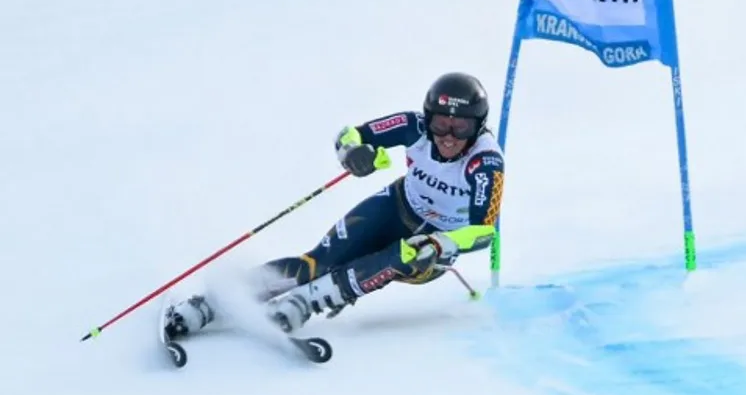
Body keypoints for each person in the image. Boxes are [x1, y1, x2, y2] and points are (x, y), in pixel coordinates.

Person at [165, 71, 505, 336]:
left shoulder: (485, 162)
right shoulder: (411, 126)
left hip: (436, 242)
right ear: (427, 118)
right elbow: (351, 134)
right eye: (441, 123)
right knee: (319, 262)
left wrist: (441, 242)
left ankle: (305, 303)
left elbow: (484, 232)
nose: (448, 135)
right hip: (397, 206)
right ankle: (211, 304)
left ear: (478, 126)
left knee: (407, 253)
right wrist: (353, 153)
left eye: (461, 127)